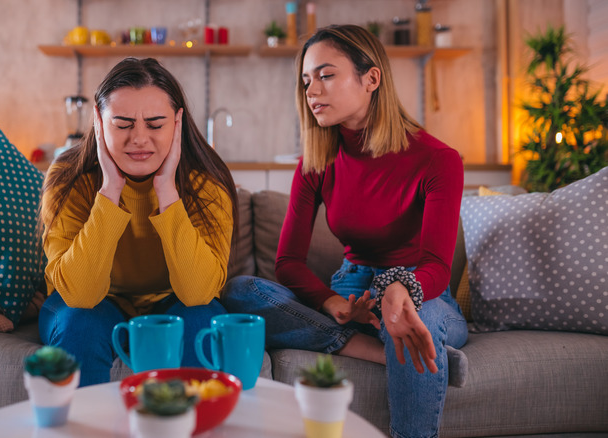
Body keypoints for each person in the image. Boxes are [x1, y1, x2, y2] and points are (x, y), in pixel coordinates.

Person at [222, 24, 467, 438]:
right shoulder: (315, 162)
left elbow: (437, 266)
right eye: (306, 80)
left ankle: (400, 359)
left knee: (407, 316)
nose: (311, 90)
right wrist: (332, 300)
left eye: (326, 75)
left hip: (422, 293)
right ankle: (377, 350)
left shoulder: (437, 159)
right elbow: (287, 263)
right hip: (352, 291)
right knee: (241, 290)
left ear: (371, 79)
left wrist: (398, 289)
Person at [39, 57, 237, 387]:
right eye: (123, 124)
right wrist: (111, 189)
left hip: (175, 302)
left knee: (203, 318)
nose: (140, 138)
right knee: (79, 323)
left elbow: (198, 293)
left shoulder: (206, 184)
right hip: (89, 305)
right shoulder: (68, 179)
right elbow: (81, 295)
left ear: (177, 123)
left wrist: (166, 191)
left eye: (156, 124)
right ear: (99, 123)